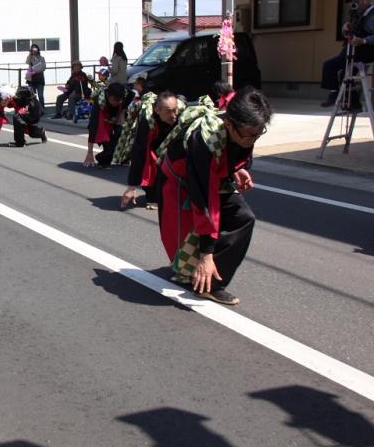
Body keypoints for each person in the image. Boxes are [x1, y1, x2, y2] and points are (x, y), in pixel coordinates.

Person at [156, 87, 273, 306]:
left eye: (259, 133)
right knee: (190, 234)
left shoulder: (245, 130)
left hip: (212, 175)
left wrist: (238, 169)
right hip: (179, 181)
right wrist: (206, 255)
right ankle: (201, 271)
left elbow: (238, 153)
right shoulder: (205, 140)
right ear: (229, 124)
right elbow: (204, 202)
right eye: (250, 135)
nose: (254, 139)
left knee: (243, 218)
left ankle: (210, 284)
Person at [120, 91, 180, 209]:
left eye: (175, 110)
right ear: (157, 110)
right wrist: (132, 186)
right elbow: (139, 151)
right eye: (169, 111)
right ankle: (154, 197)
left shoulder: (182, 114)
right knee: (151, 165)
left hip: (173, 142)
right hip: (154, 145)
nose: (174, 115)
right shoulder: (147, 120)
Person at [320, 0, 374, 107]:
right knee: (339, 70)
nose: (354, 4)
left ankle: (344, 99)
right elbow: (349, 35)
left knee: (339, 68)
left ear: (366, 0)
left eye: (357, 1)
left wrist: (364, 40)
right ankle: (347, 100)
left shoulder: (372, 15)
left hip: (367, 51)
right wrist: (346, 29)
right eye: (353, 2)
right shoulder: (358, 16)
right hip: (354, 51)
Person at [83, 82, 130, 168]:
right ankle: (103, 160)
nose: (116, 102)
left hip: (118, 114)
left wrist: (122, 112)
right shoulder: (99, 103)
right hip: (104, 117)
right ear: (108, 96)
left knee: (123, 134)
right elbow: (92, 128)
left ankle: (121, 158)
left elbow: (131, 95)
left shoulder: (125, 94)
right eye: (114, 100)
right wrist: (90, 152)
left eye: (118, 100)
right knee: (106, 140)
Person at [25, 44, 47, 110]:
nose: (34, 51)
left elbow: (43, 67)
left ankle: (42, 108)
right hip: (31, 79)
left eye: (35, 49)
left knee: (40, 95)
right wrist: (30, 53)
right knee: (31, 95)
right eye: (33, 49)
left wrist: (35, 70)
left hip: (39, 78)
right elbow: (27, 62)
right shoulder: (30, 57)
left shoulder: (41, 58)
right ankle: (33, 108)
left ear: (38, 50)